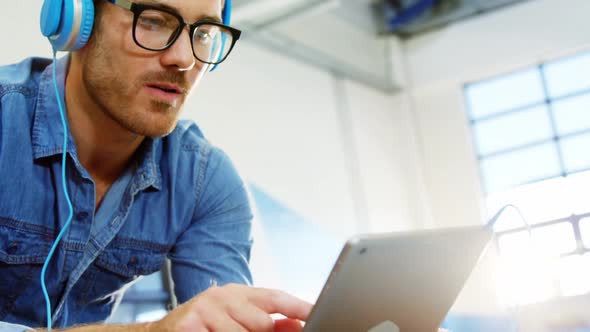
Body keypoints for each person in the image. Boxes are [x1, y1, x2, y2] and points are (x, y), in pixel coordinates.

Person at [0, 0, 311, 330]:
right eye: (153, 22)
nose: (184, 58)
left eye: (203, 33)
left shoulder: (205, 180)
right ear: (78, 20)